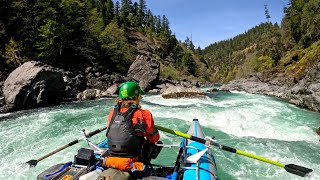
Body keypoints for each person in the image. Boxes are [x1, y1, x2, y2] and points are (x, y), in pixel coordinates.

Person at [104, 81, 162, 175]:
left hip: (111, 158)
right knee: (154, 143)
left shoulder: (112, 113)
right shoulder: (144, 114)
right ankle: (145, 165)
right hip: (132, 160)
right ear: (137, 96)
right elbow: (154, 138)